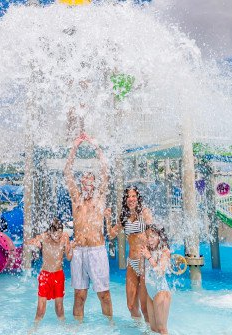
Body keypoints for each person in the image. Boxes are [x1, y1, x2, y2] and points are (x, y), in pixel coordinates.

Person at [64, 132, 112, 322]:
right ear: (81, 183)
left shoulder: (99, 199)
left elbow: (105, 172)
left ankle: (110, 328)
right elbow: (67, 172)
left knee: (104, 295)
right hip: (78, 251)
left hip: (96, 250)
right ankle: (78, 329)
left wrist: (96, 147)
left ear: (93, 183)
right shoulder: (76, 199)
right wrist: (75, 147)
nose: (86, 181)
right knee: (79, 295)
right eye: (83, 178)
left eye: (90, 178)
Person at [107, 186, 153, 321]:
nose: (131, 199)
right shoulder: (124, 216)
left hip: (144, 262)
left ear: (138, 198)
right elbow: (111, 235)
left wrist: (153, 257)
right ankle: (138, 329)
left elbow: (152, 234)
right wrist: (108, 219)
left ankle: (149, 330)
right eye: (128, 196)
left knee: (144, 307)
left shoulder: (144, 213)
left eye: (133, 196)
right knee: (131, 305)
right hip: (131, 262)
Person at [24, 218, 73, 323]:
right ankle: (34, 328)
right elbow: (27, 242)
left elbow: (69, 258)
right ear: (50, 232)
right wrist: (35, 243)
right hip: (45, 276)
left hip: (58, 275)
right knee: (41, 309)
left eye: (60, 235)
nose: (58, 238)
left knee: (59, 308)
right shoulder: (44, 237)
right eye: (56, 235)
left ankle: (63, 327)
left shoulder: (64, 237)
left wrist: (70, 250)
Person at [140, 225, 172, 334]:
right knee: (153, 329)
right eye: (148, 236)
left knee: (162, 329)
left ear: (160, 237)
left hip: (161, 292)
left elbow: (160, 271)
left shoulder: (164, 251)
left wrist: (148, 256)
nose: (150, 239)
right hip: (151, 293)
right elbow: (143, 272)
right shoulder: (148, 251)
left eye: (153, 237)